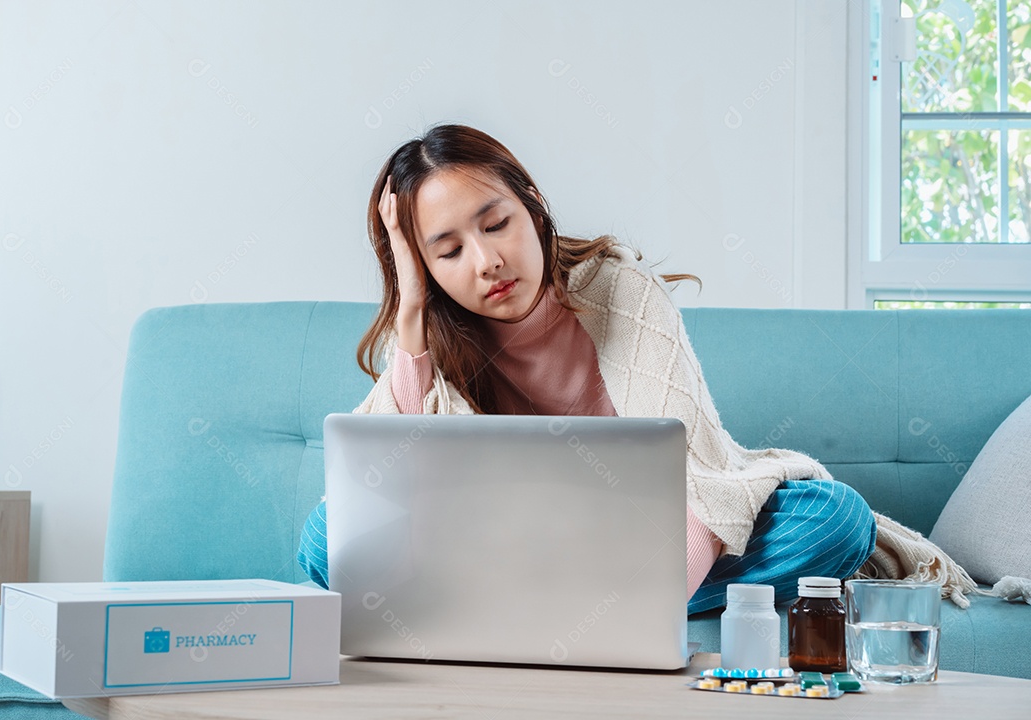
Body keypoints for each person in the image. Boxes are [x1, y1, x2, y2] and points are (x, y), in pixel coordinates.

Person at [297, 123, 877, 614]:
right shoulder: (434, 334)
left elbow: (698, 485)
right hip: (508, 545)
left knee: (836, 520)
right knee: (329, 540)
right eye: (447, 252)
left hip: (645, 536)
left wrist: (637, 613)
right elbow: (393, 478)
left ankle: (524, 613)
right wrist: (412, 312)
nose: (487, 261)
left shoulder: (622, 292)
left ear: (532, 203)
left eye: (496, 223)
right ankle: (558, 605)